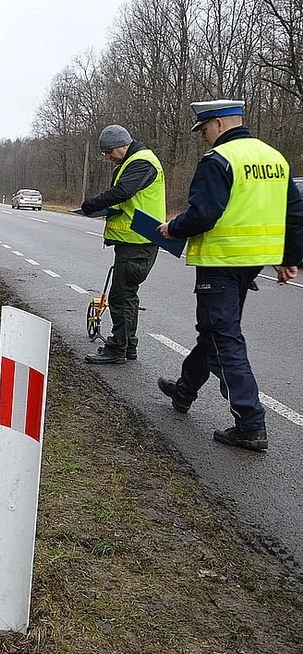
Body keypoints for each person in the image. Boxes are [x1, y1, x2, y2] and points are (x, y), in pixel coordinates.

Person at [156, 99, 303, 452]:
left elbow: (203, 213)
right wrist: (289, 258)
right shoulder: (274, 158)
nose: (204, 137)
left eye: (204, 129)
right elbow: (295, 213)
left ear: (219, 124)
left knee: (224, 338)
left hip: (221, 262)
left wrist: (173, 228)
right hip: (251, 262)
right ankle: (185, 389)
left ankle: (251, 423)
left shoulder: (218, 160)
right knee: (214, 332)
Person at [81, 124, 166, 365]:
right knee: (127, 295)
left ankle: (117, 348)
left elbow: (123, 192)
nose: (107, 158)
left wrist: (92, 204)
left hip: (138, 241)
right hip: (136, 241)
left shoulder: (141, 161)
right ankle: (128, 346)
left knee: (121, 297)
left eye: (108, 152)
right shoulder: (134, 162)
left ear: (121, 145)